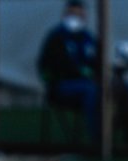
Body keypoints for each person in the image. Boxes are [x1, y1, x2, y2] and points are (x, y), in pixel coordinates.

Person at [37, 0, 101, 143]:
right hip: (63, 86)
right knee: (91, 90)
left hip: (88, 84)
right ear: (65, 15)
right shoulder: (56, 37)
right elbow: (48, 65)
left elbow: (97, 63)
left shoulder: (88, 38)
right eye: (73, 14)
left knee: (116, 87)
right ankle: (98, 140)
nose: (76, 18)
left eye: (80, 15)